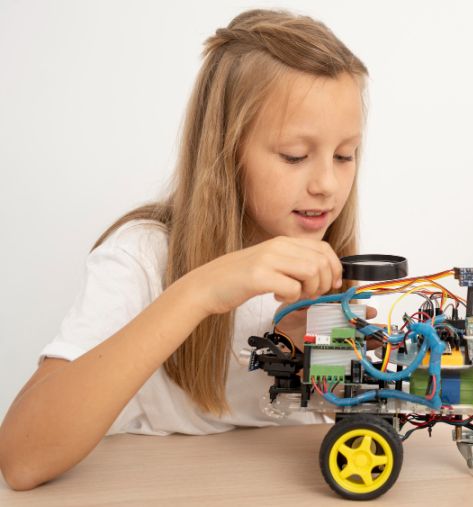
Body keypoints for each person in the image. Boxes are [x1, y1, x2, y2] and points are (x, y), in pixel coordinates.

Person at [0, 9, 370, 490]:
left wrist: (324, 354)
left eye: (344, 156)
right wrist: (200, 291)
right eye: (294, 156)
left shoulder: (327, 270)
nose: (327, 184)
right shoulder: (141, 258)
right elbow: (22, 460)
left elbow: (346, 421)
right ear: (226, 149)